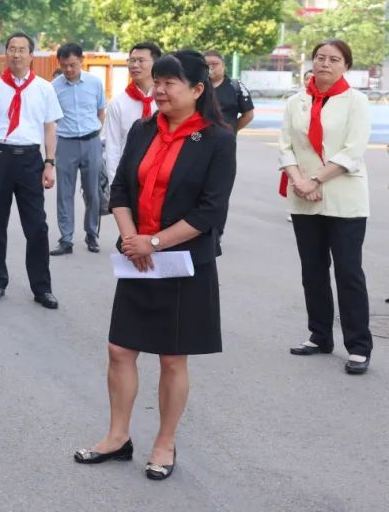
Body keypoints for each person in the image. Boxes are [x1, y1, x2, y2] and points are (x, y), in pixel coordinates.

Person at [74, 50, 235, 482]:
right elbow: (121, 189)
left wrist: (156, 242)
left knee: (172, 358)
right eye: (157, 82)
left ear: (197, 90)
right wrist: (133, 239)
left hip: (182, 263)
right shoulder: (144, 129)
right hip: (138, 259)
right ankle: (117, 437)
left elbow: (210, 211)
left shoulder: (218, 141)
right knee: (120, 349)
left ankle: (165, 442)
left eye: (168, 83)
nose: (158, 90)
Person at [279, 39, 372, 375]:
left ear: (346, 65)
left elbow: (353, 150)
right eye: (320, 58)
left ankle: (358, 346)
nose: (325, 64)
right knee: (313, 271)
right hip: (304, 198)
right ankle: (319, 335)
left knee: (348, 272)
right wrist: (299, 181)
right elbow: (285, 147)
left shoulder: (356, 101)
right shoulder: (296, 102)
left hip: (344, 199)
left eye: (334, 59)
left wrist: (315, 180)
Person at [0, 33, 62, 308]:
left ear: (31, 55)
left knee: (37, 226)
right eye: (12, 49)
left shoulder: (44, 88)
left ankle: (42, 287)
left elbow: (50, 127)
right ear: (6, 53)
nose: (16, 54)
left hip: (30, 159)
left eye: (22, 50)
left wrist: (50, 163)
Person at [51, 43, 107, 255]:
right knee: (64, 193)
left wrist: (96, 134)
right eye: (64, 65)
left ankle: (92, 234)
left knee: (93, 192)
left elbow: (101, 112)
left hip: (91, 142)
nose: (68, 69)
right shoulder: (54, 87)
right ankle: (66, 239)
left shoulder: (94, 83)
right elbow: (49, 118)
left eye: (73, 65)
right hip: (66, 144)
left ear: (81, 61)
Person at [104, 42, 162, 184]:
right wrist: (114, 185)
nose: (135, 65)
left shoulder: (165, 99)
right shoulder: (118, 104)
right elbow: (112, 148)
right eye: (132, 60)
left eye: (141, 60)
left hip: (161, 174)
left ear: (156, 64)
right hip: (128, 175)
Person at [204, 50, 254, 132]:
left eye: (215, 64)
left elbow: (248, 115)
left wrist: (231, 131)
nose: (211, 67)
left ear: (223, 65)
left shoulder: (236, 86)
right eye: (207, 64)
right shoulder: (196, 87)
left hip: (225, 137)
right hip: (199, 136)